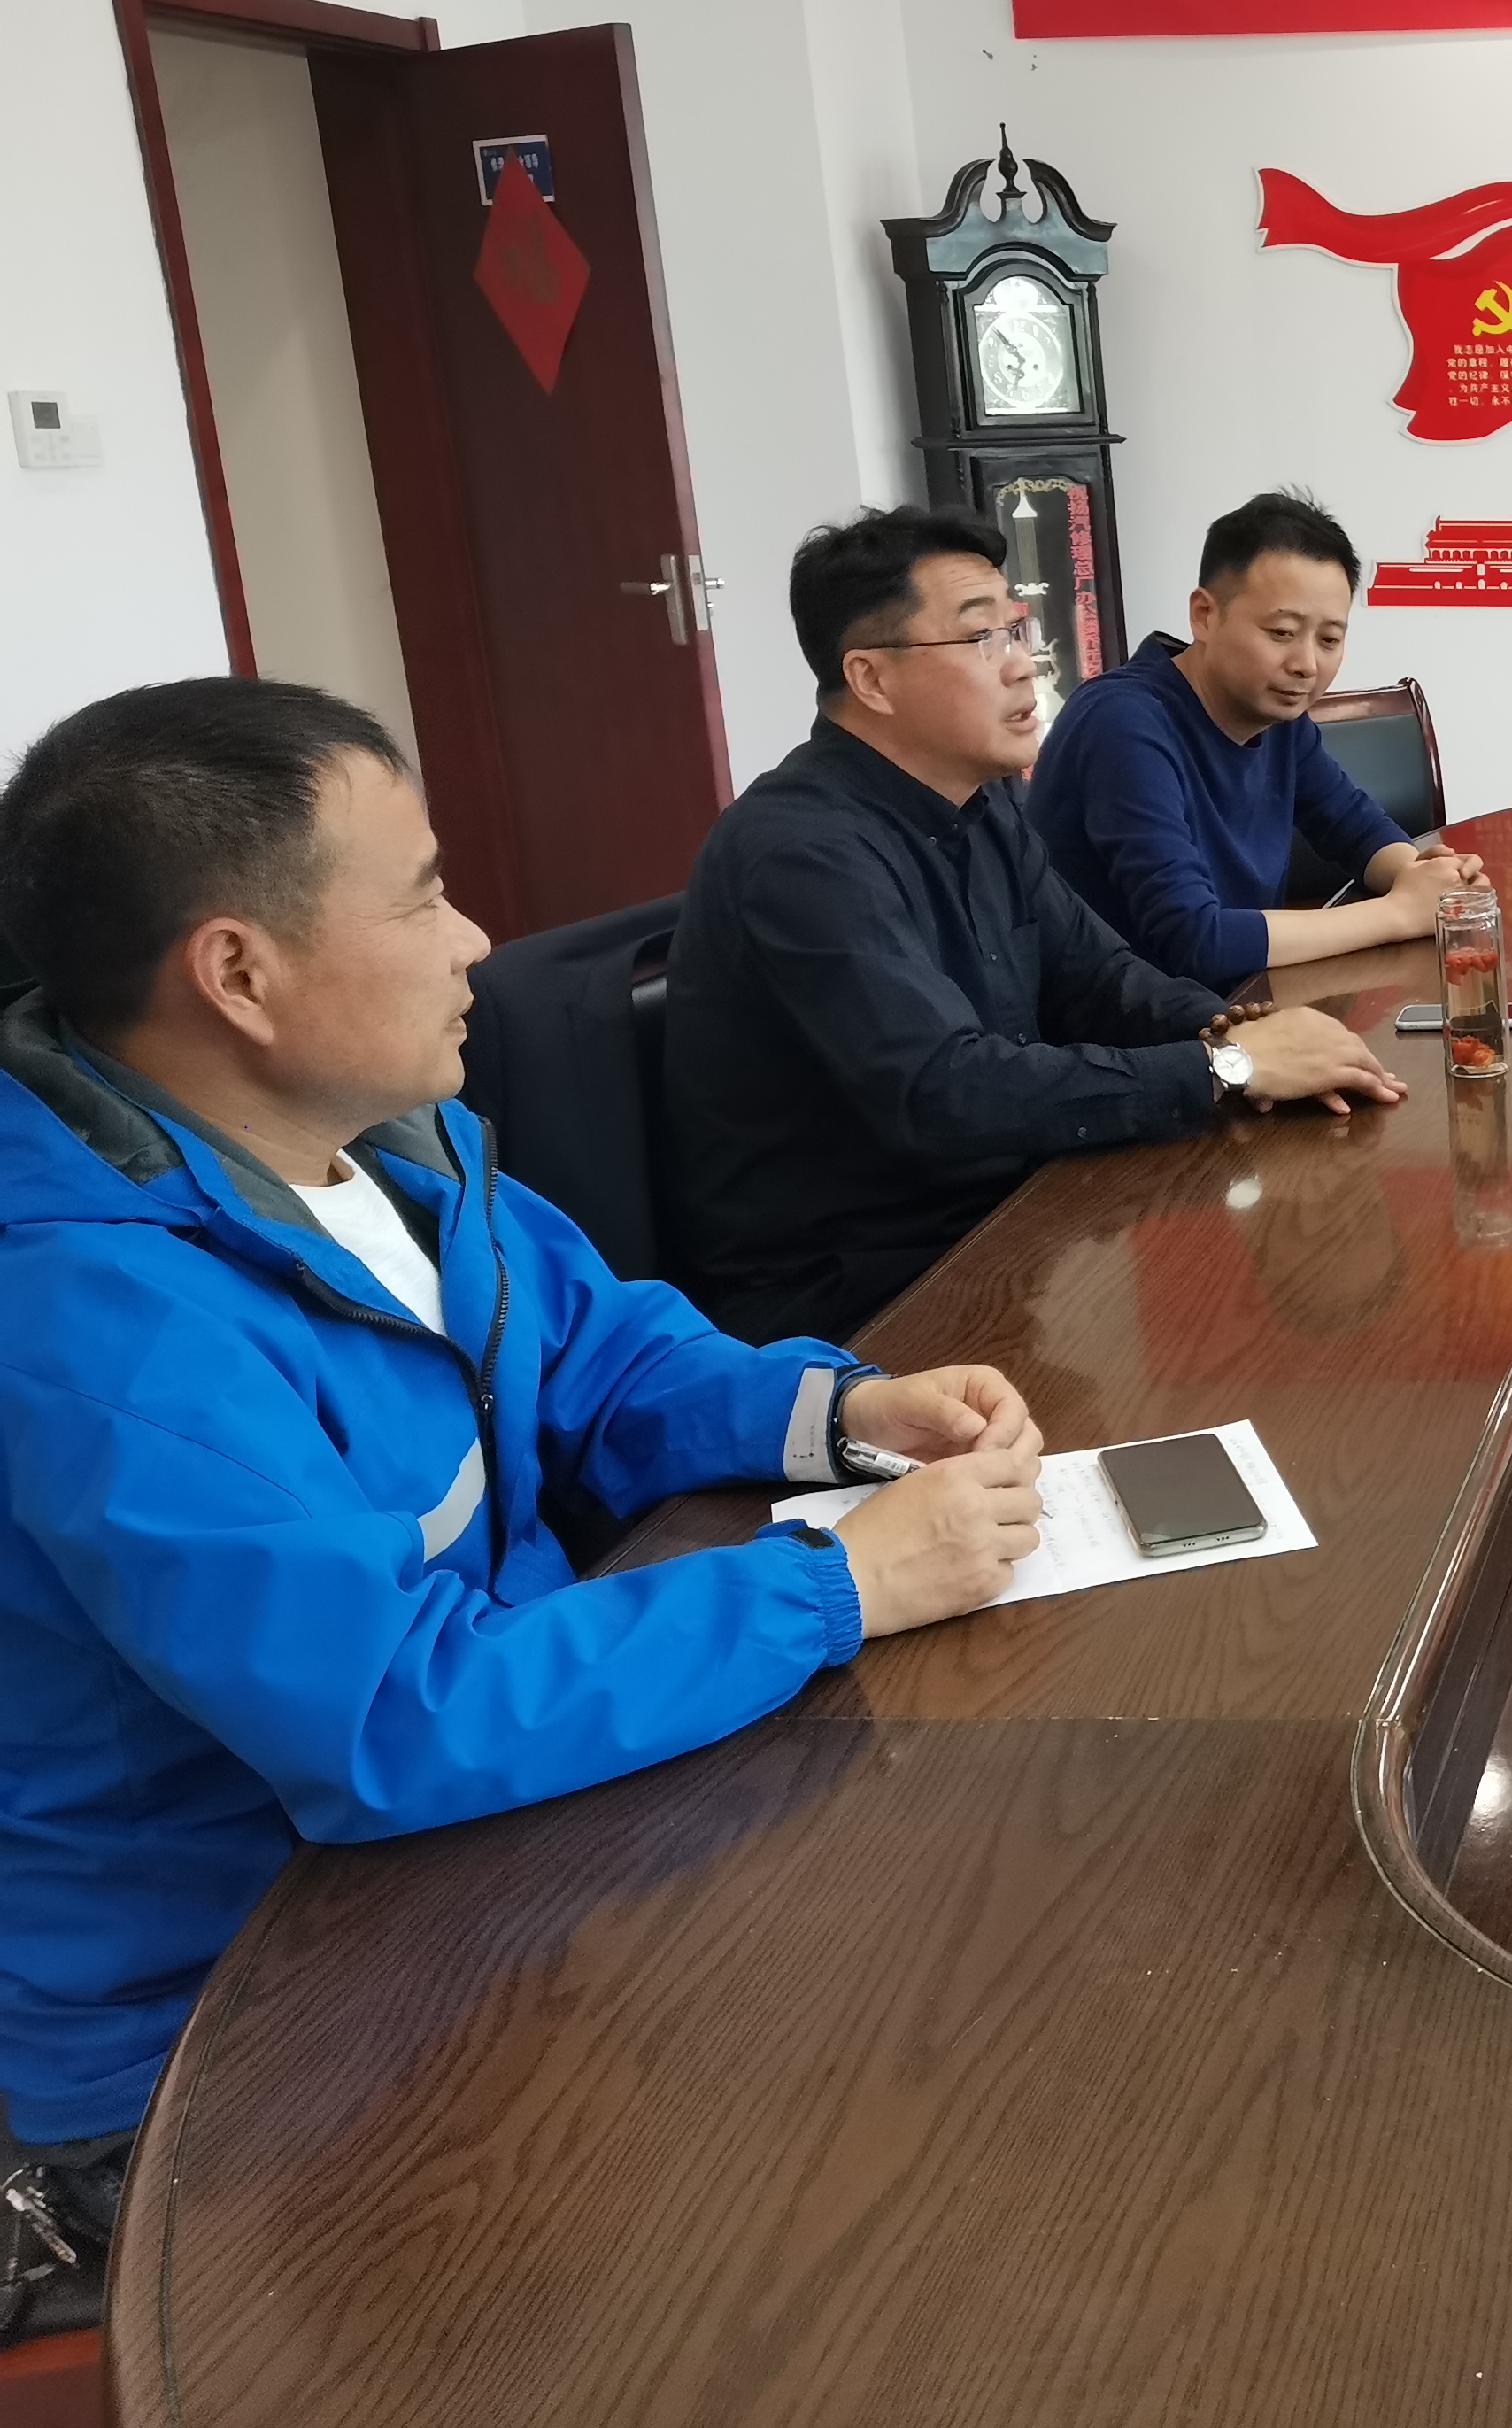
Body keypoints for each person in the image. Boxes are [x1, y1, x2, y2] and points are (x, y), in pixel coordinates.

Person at [0, 679, 1054, 2338]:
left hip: (463, 1860)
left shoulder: (386, 1145)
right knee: (808, 2247)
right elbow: (387, 1717)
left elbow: (596, 1348)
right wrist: (836, 1587)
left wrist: (835, 1412)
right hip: (215, 2042)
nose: (476, 940)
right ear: (239, 973)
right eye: (423, 896)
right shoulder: (94, 1318)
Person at [663, 508, 1404, 1342]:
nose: (1026, 663)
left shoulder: (979, 806)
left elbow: (1100, 978)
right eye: (983, 638)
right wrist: (1227, 1067)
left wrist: (1245, 1033)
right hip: (856, 1300)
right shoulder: (801, 852)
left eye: (1017, 631)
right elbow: (946, 1092)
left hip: (1001, 1223)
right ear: (871, 679)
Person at [1028, 490, 1483, 991]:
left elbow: (1356, 828)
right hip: (1132, 1024)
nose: (1306, 664)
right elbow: (1195, 940)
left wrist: (1430, 881)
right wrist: (1399, 914)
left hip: (1238, 1001)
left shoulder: (1278, 718)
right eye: (1282, 632)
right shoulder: (1122, 722)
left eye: (1329, 639)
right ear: (1205, 615)